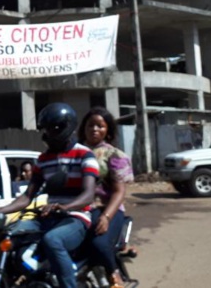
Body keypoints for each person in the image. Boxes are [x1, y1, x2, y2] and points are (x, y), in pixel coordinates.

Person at [0, 102, 99, 288]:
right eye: (46, 129)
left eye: (53, 129)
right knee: (8, 234)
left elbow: (88, 194)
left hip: (76, 218)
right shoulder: (43, 160)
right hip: (48, 217)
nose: (48, 133)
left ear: (67, 127)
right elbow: (27, 197)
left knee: (53, 240)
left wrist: (64, 207)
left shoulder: (85, 155)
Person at [78, 107, 134, 288]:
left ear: (107, 129)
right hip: (78, 209)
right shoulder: (74, 152)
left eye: (100, 126)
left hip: (106, 208)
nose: (95, 129)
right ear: (83, 128)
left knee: (99, 244)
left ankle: (113, 274)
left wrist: (106, 216)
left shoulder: (113, 155)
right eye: (90, 125)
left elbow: (119, 191)